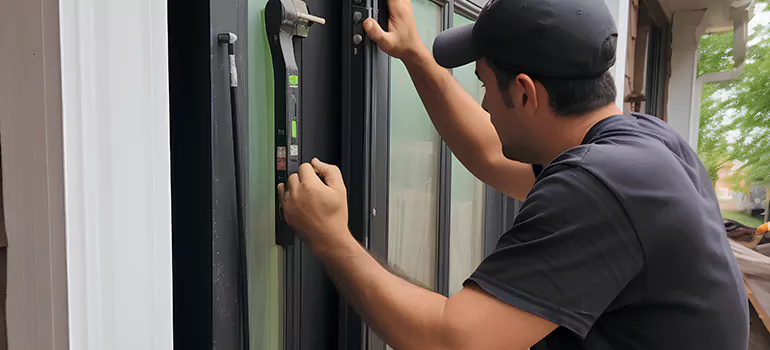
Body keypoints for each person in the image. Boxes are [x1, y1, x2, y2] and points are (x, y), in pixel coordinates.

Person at [277, 0, 750, 348]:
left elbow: (451, 342)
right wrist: (414, 55)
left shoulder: (600, 186)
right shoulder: (642, 145)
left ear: (526, 94)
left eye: (484, 84)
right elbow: (489, 153)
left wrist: (329, 237)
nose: (484, 104)